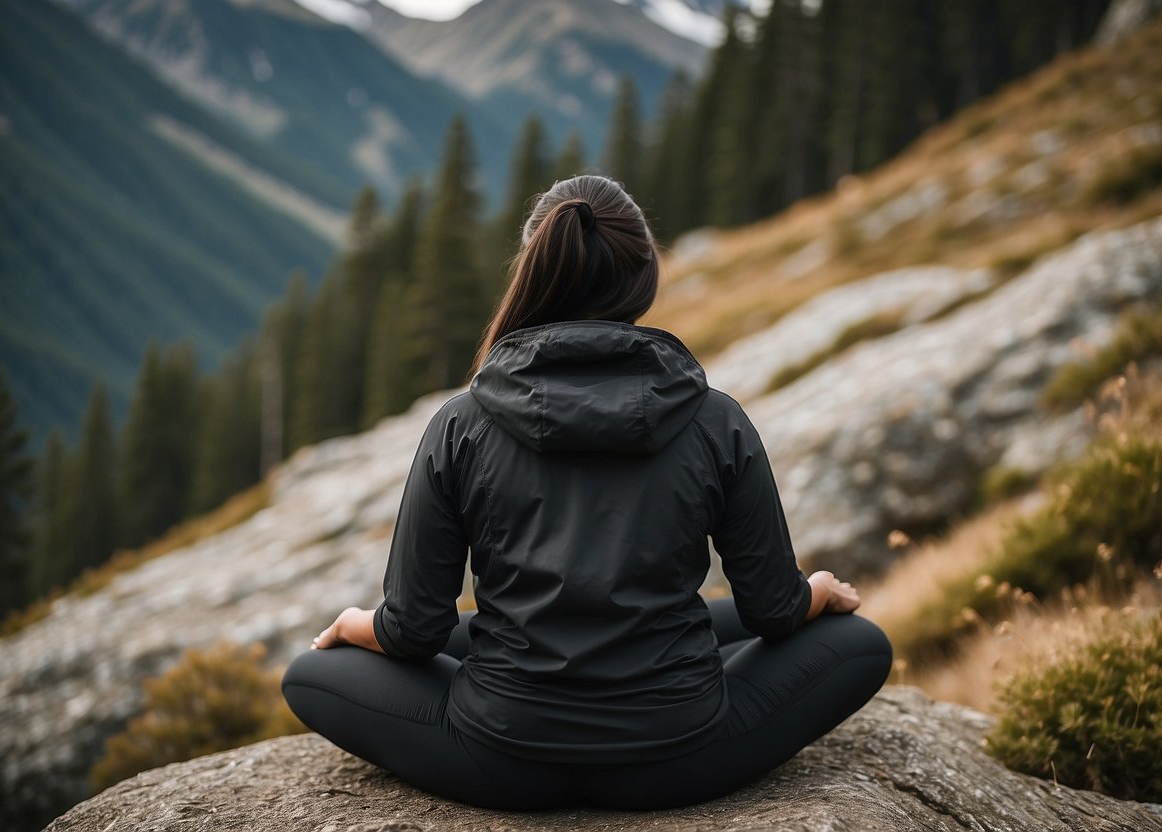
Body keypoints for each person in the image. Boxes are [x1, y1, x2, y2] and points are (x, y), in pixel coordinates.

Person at [281, 174, 892, 811]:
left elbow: (414, 631)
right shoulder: (716, 420)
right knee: (859, 641)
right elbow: (772, 613)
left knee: (311, 674)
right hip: (677, 756)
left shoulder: (460, 425)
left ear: (534, 269)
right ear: (644, 273)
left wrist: (362, 625)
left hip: (502, 756)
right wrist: (814, 593)